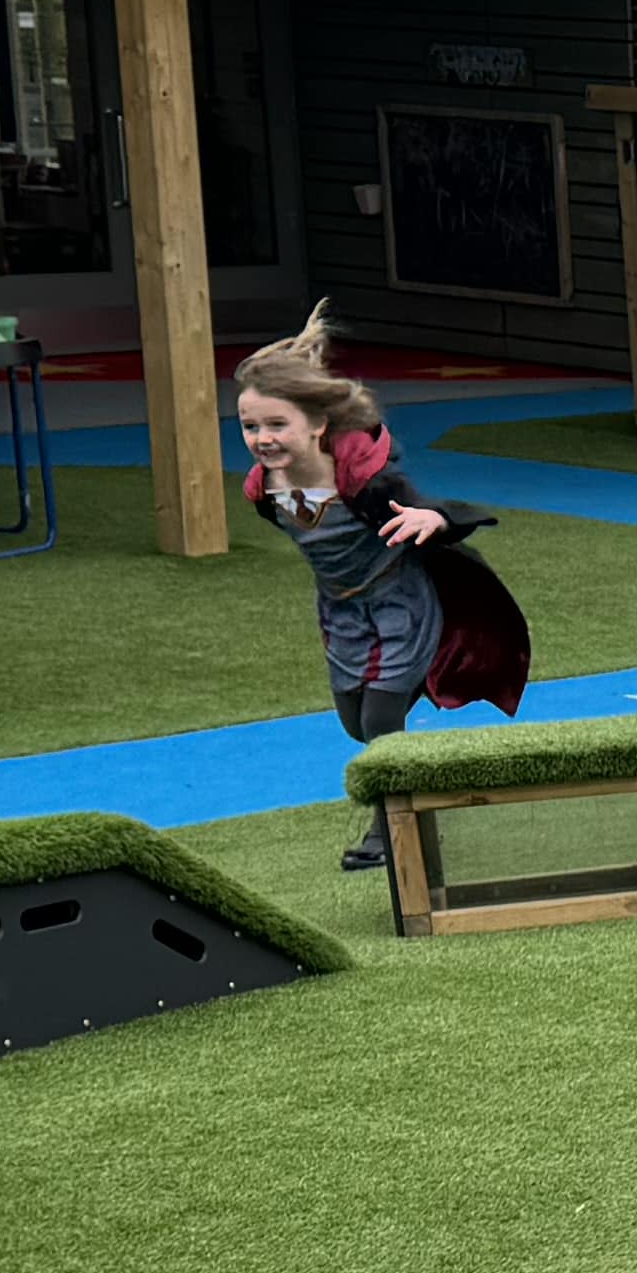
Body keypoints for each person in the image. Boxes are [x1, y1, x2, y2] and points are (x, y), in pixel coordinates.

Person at [230, 313, 532, 870]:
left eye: (277, 425)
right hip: (342, 611)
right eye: (251, 427)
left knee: (379, 722)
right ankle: (417, 775)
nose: (262, 439)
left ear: (319, 423)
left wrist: (434, 521)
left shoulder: (366, 482)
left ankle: (389, 833)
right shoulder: (263, 491)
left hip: (402, 604)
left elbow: (432, 510)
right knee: (354, 721)